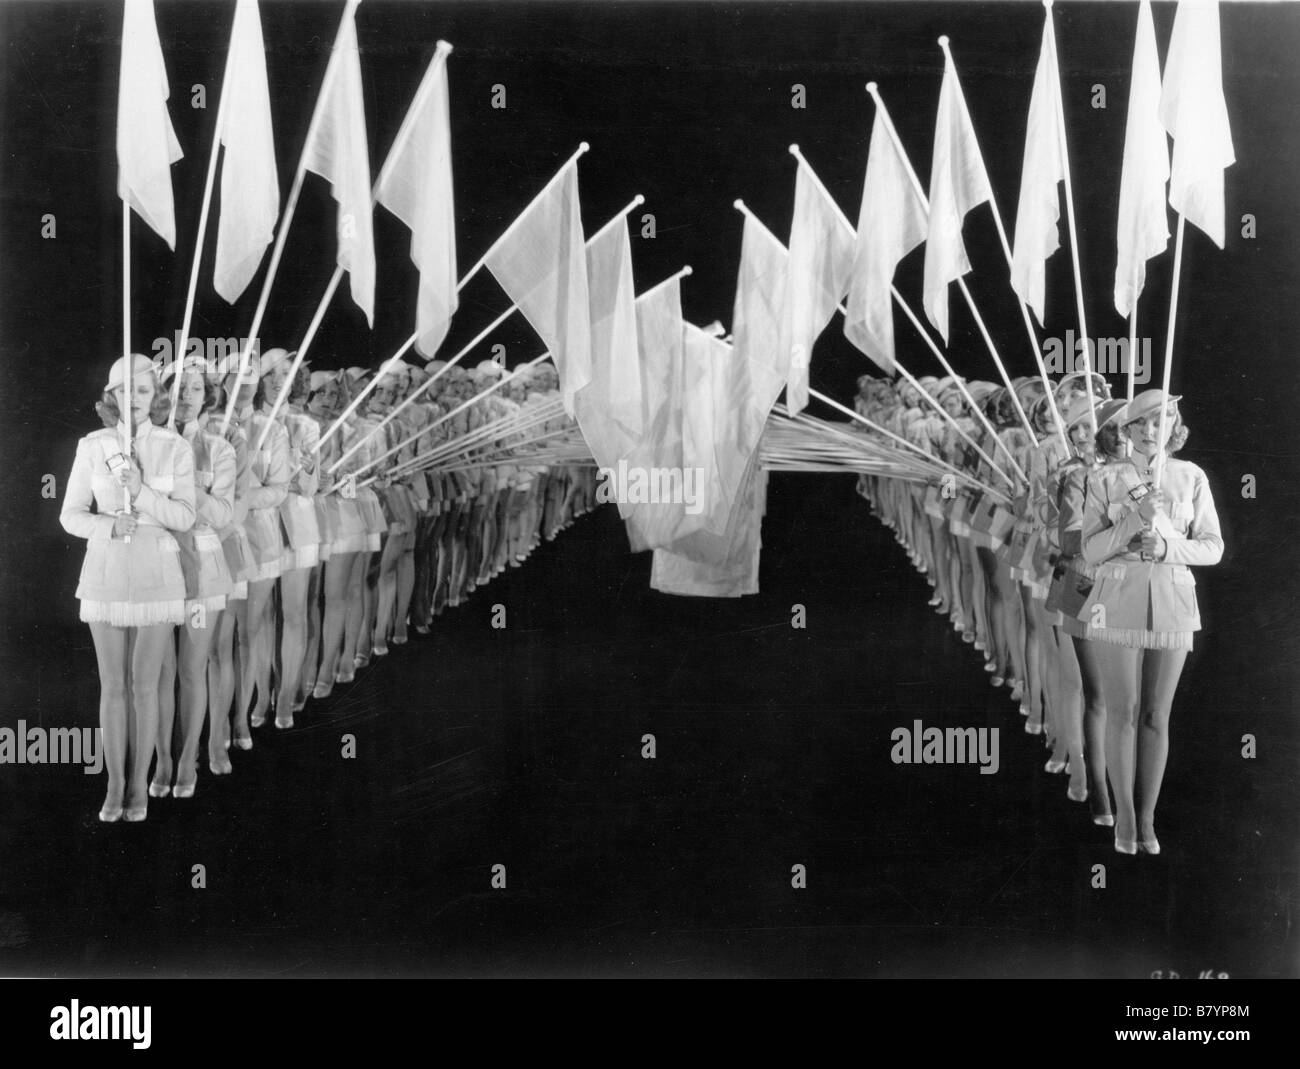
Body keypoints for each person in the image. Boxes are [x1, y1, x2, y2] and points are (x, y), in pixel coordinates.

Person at [1079, 389, 1223, 855]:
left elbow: (1212, 547)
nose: (1151, 429)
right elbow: (1091, 550)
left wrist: (1165, 547)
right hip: (1116, 598)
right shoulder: (1105, 478)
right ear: (1129, 429)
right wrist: (1131, 522)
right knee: (1122, 712)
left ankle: (1147, 818)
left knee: (1157, 716)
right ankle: (1122, 816)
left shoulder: (1190, 477)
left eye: (1162, 420)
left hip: (1174, 601)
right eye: (1142, 422)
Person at [61, 354, 196, 822]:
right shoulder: (93, 445)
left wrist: (140, 492)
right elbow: (70, 515)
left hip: (157, 579)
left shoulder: (175, 446)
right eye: (125, 391)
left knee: (145, 686)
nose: (134, 400)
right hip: (105, 575)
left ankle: (140, 782)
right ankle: (115, 783)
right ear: (111, 397)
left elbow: (184, 517)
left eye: (143, 391)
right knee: (112, 686)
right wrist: (107, 527)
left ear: (156, 396)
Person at [151, 357, 237, 798]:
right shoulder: (147, 444)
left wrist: (187, 490)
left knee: (191, 668)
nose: (186, 397)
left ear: (209, 398)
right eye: (178, 388)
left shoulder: (219, 449)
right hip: (157, 570)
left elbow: (224, 514)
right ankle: (162, 760)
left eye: (196, 390)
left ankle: (188, 759)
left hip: (202, 573)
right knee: (160, 672)